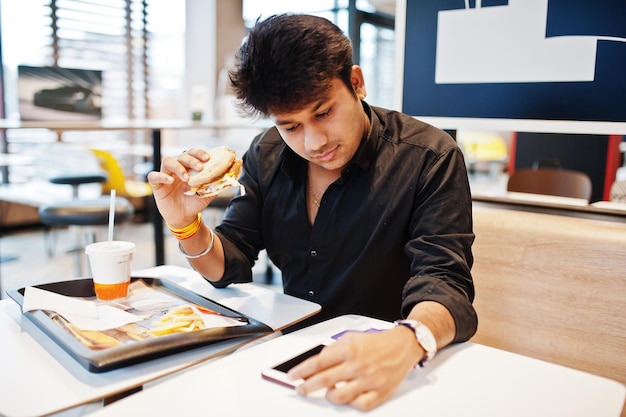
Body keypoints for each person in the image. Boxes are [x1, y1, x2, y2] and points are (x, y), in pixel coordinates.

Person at [148, 13, 477, 411]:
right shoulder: (267, 153)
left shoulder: (429, 157)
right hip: (288, 359)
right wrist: (185, 223)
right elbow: (230, 264)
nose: (314, 141)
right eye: (290, 126)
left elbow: (444, 281)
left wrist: (407, 341)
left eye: (323, 113)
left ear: (355, 82)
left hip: (390, 363)